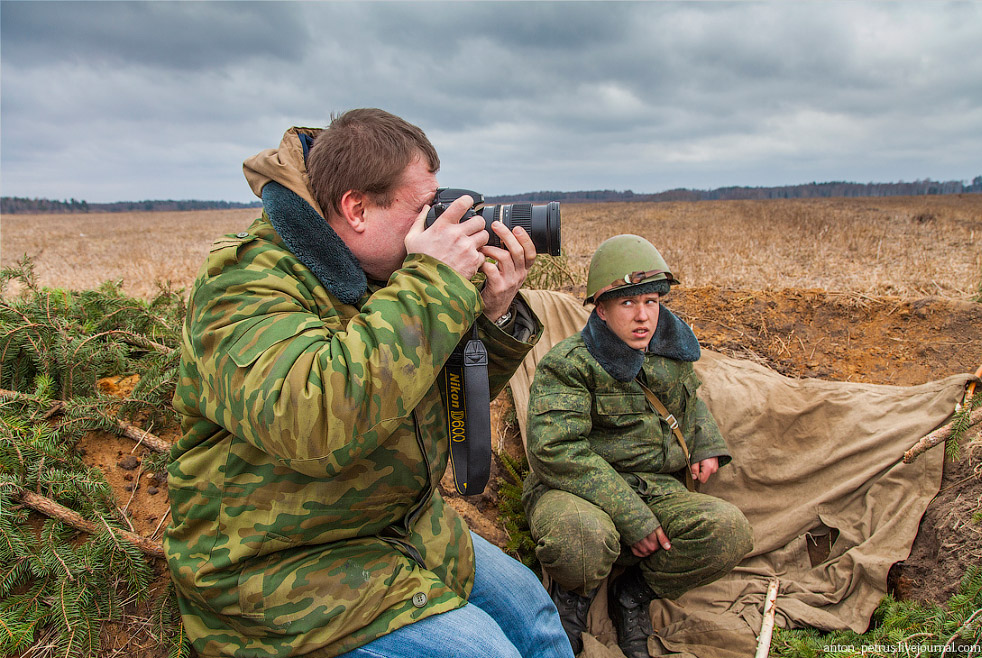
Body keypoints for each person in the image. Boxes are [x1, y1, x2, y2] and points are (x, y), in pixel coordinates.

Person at [165, 108, 574, 658]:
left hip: (396, 527)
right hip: (278, 567)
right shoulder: (244, 286)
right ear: (356, 208)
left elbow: (421, 394)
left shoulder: (383, 274)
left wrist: (490, 316)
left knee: (534, 616)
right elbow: (315, 425)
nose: (439, 224)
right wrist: (433, 283)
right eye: (422, 209)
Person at [522, 234, 753, 658]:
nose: (643, 316)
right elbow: (555, 451)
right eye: (628, 303)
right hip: (575, 490)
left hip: (655, 486)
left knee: (728, 531)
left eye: (651, 301)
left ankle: (633, 595)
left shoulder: (668, 349)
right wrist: (633, 518)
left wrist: (705, 444)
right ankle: (572, 600)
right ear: (602, 308)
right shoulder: (569, 364)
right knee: (580, 538)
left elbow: (688, 402)